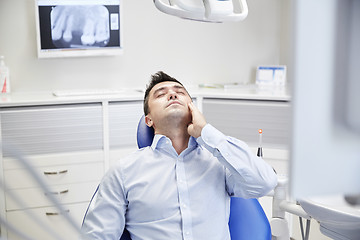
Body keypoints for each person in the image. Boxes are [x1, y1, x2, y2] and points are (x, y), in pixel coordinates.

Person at [81, 71, 278, 240]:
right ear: (148, 120)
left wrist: (206, 133)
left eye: (180, 92)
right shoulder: (123, 172)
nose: (172, 95)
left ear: (192, 108)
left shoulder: (219, 163)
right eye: (160, 94)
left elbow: (266, 182)